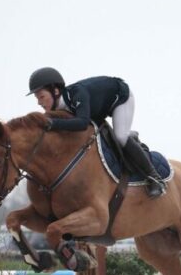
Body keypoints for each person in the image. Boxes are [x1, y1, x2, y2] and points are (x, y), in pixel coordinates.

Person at [27, 67, 166, 198]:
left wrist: (51, 124)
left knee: (121, 136)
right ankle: (130, 136)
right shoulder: (61, 107)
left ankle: (155, 177)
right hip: (99, 109)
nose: (39, 103)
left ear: (55, 91)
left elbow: (82, 123)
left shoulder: (77, 94)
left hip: (120, 97)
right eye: (37, 98)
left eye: (41, 97)